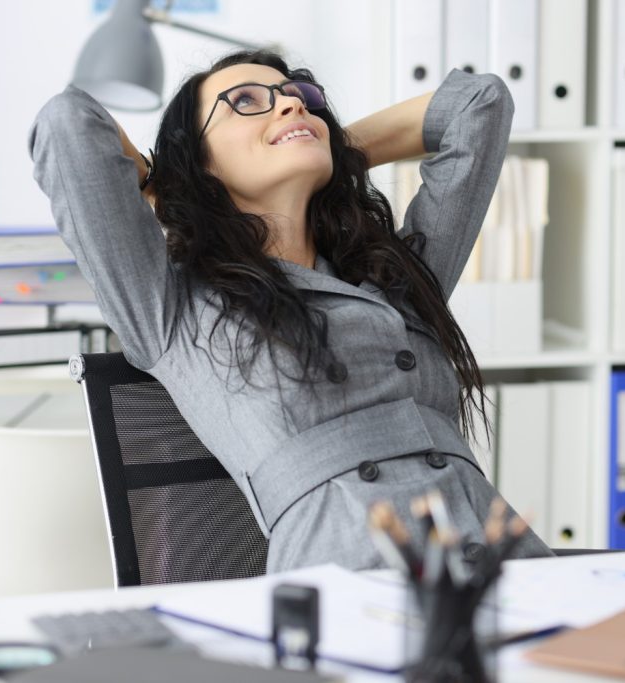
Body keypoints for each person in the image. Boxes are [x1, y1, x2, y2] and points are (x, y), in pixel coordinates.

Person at [29, 49, 553, 572]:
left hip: (505, 561)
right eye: (246, 101)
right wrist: (168, 180)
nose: (291, 107)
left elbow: (478, 104)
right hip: (349, 576)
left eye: (301, 98)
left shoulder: (398, 275)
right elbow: (69, 124)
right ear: (201, 161)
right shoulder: (171, 308)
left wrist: (323, 146)